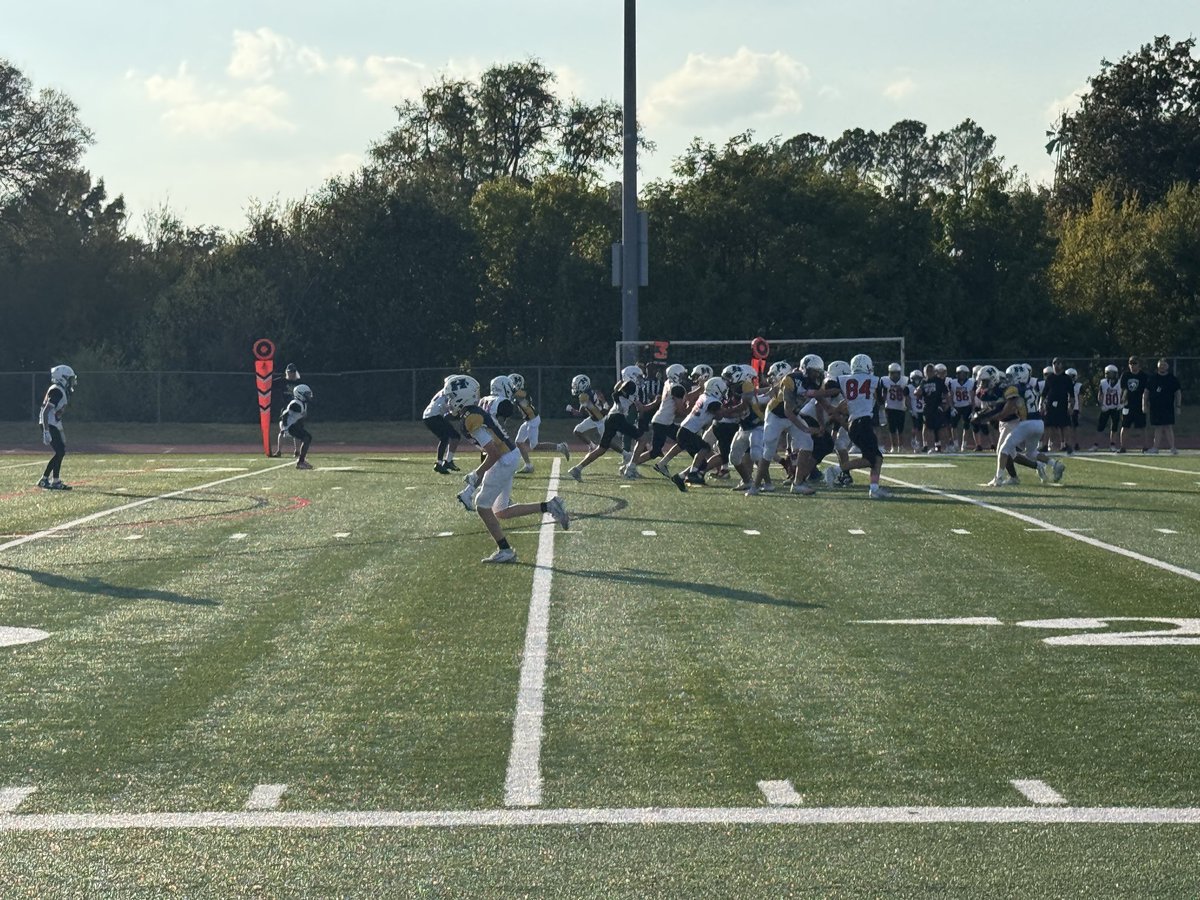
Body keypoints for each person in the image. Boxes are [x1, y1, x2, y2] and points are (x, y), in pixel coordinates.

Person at [449, 375, 569, 563]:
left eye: (451, 397)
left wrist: (476, 475)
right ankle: (550, 506)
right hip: (508, 456)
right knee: (500, 511)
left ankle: (505, 550)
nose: (449, 402)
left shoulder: (471, 417)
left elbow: (493, 453)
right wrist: (473, 481)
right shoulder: (471, 413)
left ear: (461, 397)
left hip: (504, 459)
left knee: (482, 505)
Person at [567, 366, 653, 481]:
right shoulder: (630, 385)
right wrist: (656, 402)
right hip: (617, 417)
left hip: (611, 417)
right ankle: (630, 469)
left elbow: (619, 393)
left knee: (601, 449)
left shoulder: (627, 384)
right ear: (631, 375)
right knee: (642, 439)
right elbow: (616, 395)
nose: (640, 379)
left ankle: (577, 469)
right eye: (638, 376)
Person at [823, 354, 890, 498]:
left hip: (853, 424)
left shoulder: (843, 379)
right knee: (871, 459)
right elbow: (880, 401)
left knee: (877, 457)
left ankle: (874, 489)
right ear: (867, 366)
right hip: (863, 423)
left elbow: (830, 386)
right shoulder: (875, 380)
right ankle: (835, 470)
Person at [508, 373, 570, 474]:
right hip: (528, 420)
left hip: (533, 420)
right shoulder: (516, 393)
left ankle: (561, 447)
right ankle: (528, 466)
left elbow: (518, 395)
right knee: (519, 442)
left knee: (534, 446)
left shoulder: (522, 392)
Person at [38, 365, 76, 490]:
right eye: (69, 379)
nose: (71, 382)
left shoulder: (59, 390)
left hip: (53, 424)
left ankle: (52, 480)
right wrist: (46, 431)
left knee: (60, 451)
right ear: (62, 378)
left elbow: (55, 414)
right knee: (60, 451)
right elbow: (45, 412)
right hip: (49, 424)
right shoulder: (57, 390)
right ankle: (48, 479)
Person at [1145, 358, 1182, 455]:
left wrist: (1178, 406)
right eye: (1160, 364)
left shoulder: (1172, 379)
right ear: (1157, 366)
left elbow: (1178, 393)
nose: (1162, 366)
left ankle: (1173, 448)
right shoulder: (1152, 378)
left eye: (1164, 365)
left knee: (1168, 427)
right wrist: (1144, 404)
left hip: (1168, 407)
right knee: (1158, 427)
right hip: (1155, 407)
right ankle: (1155, 448)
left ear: (1167, 366)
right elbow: (1146, 392)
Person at [423, 387, 462, 474]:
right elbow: (451, 409)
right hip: (434, 416)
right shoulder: (450, 393)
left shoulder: (442, 392)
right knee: (454, 437)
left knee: (446, 438)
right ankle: (445, 462)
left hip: (428, 416)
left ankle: (443, 462)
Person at [565, 373, 606, 452]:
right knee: (577, 431)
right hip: (595, 418)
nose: (574, 387)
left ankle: (625, 453)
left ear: (582, 385)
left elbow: (580, 413)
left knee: (607, 443)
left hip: (601, 420)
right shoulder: (590, 392)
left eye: (576, 385)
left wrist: (571, 409)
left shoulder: (584, 396)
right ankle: (592, 446)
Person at [1040, 358, 1074, 453]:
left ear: (1062, 365)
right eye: (1055, 363)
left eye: (1059, 363)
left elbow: (1071, 394)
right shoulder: (1050, 378)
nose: (1057, 365)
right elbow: (1044, 393)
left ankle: (1068, 445)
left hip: (1063, 404)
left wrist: (1071, 406)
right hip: (1051, 405)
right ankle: (1045, 445)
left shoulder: (1066, 378)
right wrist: (1042, 405)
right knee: (1048, 425)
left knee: (1065, 425)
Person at [1118, 357, 1150, 453]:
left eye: (1134, 363)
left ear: (1139, 364)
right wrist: (1122, 400)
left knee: (1142, 427)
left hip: (1139, 405)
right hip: (1128, 405)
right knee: (1125, 426)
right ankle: (1123, 447)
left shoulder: (1143, 376)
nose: (1132, 365)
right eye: (1130, 363)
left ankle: (1145, 447)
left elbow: (1146, 391)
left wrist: (1145, 404)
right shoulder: (1125, 375)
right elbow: (1123, 389)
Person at [270, 363, 303, 457]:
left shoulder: (299, 383)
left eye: (292, 372)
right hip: (286, 409)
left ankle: (297, 451)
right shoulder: (282, 381)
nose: (291, 374)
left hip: (296, 409)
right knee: (282, 429)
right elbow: (270, 384)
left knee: (297, 430)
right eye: (289, 372)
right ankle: (279, 451)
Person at [279, 384, 315, 469]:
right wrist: (285, 427)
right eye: (306, 394)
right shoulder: (296, 404)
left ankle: (301, 461)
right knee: (307, 438)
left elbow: (298, 417)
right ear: (300, 394)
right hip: (291, 426)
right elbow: (284, 414)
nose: (309, 396)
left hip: (294, 425)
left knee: (307, 438)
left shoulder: (302, 403)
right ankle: (301, 462)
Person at [879, 363, 910, 454]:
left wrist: (908, 405)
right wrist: (881, 406)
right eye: (893, 373)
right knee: (892, 429)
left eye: (897, 373)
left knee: (901, 429)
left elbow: (907, 394)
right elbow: (883, 394)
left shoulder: (905, 380)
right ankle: (894, 447)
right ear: (889, 373)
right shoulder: (885, 381)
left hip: (901, 407)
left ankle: (901, 446)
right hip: (890, 407)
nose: (895, 375)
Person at [1093, 364, 1122, 451]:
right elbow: (1100, 395)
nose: (1108, 375)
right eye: (1107, 373)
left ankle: (1112, 444)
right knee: (1100, 427)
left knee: (1114, 427)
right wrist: (1101, 405)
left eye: (1110, 373)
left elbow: (1124, 394)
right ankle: (1096, 445)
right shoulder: (1103, 382)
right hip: (1106, 407)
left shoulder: (1120, 382)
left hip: (1116, 407)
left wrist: (1122, 403)